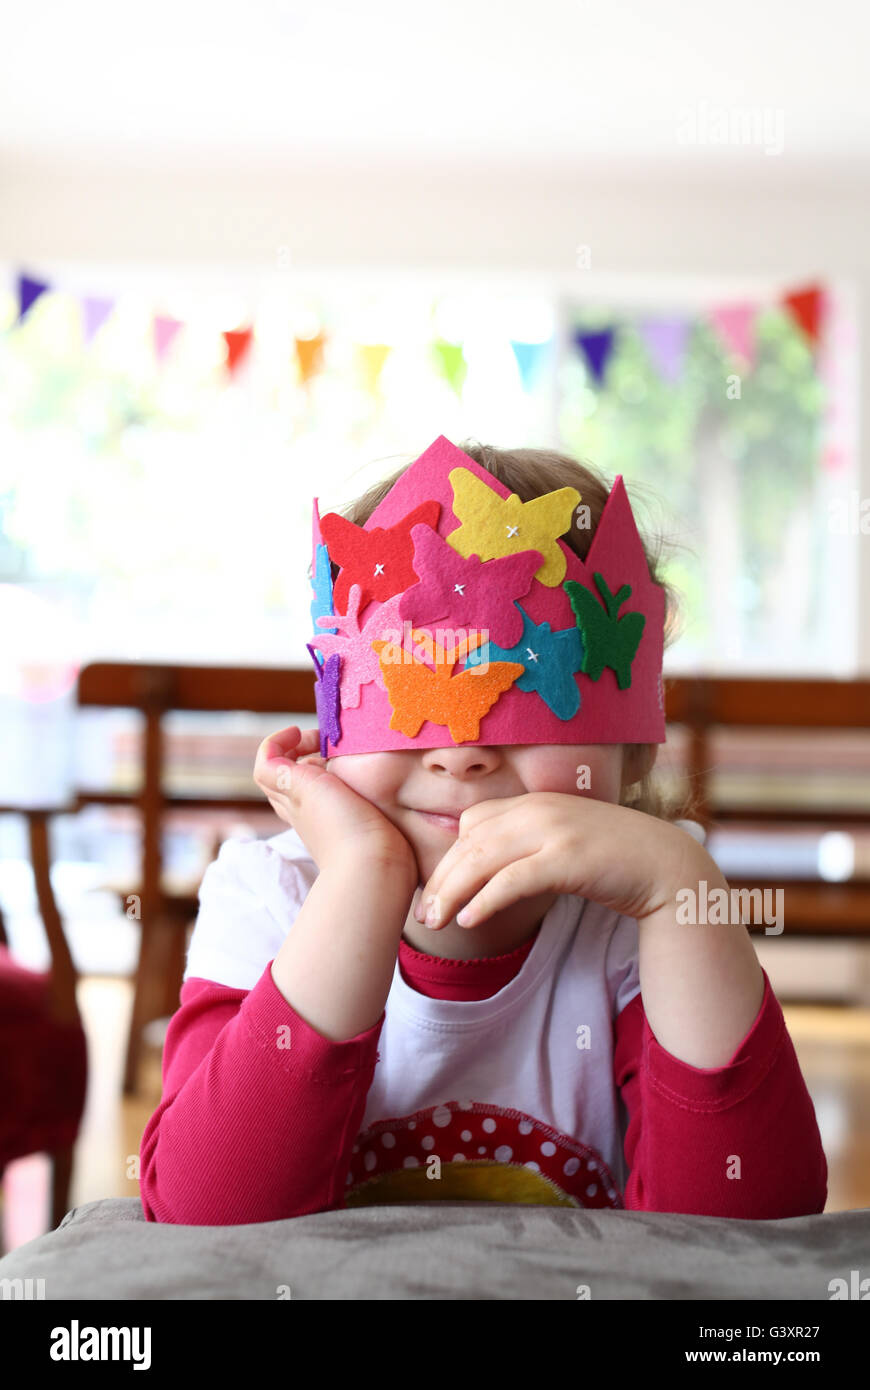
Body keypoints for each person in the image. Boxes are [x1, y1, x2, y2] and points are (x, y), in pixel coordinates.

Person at [139, 436, 827, 1224]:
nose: (462, 751)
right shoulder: (269, 895)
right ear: (334, 728)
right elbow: (203, 1211)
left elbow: (750, 1225)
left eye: (530, 684)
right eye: (409, 684)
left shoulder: (645, 916)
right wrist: (362, 879)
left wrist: (681, 897)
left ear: (630, 752)